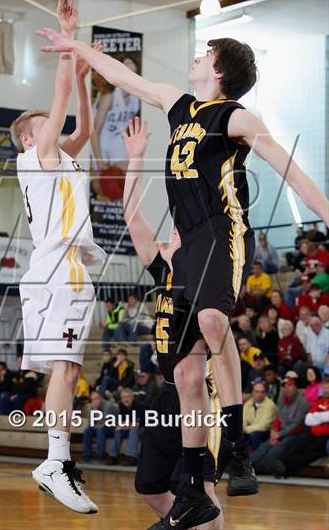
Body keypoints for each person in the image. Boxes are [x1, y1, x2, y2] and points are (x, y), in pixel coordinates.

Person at [36, 30, 328, 515]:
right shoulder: (179, 105)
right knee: (188, 371)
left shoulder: (234, 116)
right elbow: (123, 76)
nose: (195, 56)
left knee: (215, 322)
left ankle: (235, 444)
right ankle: (193, 488)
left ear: (219, 71)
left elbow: (290, 169)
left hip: (223, 231)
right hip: (189, 240)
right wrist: (77, 45)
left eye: (205, 53)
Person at [12, 0, 106, 514]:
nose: (58, 128)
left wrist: (88, 82)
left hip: (64, 269)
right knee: (65, 368)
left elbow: (85, 131)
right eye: (48, 123)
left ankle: (55, 459)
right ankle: (54, 460)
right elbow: (61, 92)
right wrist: (69, 42)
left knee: (67, 371)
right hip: (57, 269)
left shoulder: (58, 161)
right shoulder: (35, 156)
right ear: (31, 135)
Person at [122, 118, 225, 529]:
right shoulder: (161, 268)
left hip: (198, 396)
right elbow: (131, 215)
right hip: (163, 397)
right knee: (148, 485)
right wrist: (135, 158)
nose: (173, 231)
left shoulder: (209, 275)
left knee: (203, 490)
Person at [265, 376, 329, 478]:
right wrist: (323, 418)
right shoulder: (320, 401)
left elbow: (317, 420)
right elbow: (308, 419)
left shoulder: (308, 401)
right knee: (297, 443)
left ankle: (286, 471)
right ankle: (279, 465)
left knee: (310, 451)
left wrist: (317, 418)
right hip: (312, 431)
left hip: (324, 435)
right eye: (324, 388)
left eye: (328, 388)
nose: (325, 390)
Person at [91, 58, 140, 173]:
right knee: (103, 183)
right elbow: (94, 131)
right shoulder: (109, 97)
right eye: (126, 63)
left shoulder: (136, 98)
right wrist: (99, 160)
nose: (130, 63)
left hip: (118, 139)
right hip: (100, 140)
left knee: (123, 178)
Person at [251, 377, 309, 474]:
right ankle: (245, 466)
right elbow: (277, 419)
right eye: (284, 386)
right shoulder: (282, 401)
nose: (287, 388)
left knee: (275, 451)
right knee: (264, 447)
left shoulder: (302, 402)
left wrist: (279, 435)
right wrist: (274, 432)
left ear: (295, 387)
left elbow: (297, 424)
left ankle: (254, 468)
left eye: (290, 385)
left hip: (296, 434)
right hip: (281, 432)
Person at [106, 388, 144, 467]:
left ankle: (131, 457)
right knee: (118, 431)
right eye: (123, 397)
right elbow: (122, 422)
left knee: (133, 430)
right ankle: (113, 456)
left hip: (144, 429)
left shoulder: (139, 405)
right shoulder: (122, 406)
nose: (125, 399)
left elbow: (136, 424)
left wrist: (125, 425)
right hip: (130, 428)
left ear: (132, 397)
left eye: (128, 397)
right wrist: (121, 426)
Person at [82, 391, 117, 462]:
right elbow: (91, 423)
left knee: (99, 429)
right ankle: (86, 455)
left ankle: (100, 455)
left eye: (96, 399)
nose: (94, 401)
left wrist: (95, 410)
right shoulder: (92, 407)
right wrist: (94, 410)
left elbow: (104, 421)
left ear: (101, 398)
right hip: (99, 427)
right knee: (87, 430)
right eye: (92, 400)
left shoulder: (109, 405)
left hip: (111, 428)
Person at [243, 381, 277, 450]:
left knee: (254, 435)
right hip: (250, 429)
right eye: (257, 391)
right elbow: (243, 420)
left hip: (264, 432)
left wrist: (245, 429)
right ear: (252, 392)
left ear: (265, 393)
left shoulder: (270, 405)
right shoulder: (249, 403)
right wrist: (242, 428)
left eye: (262, 392)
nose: (259, 394)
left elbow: (263, 426)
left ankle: (256, 457)